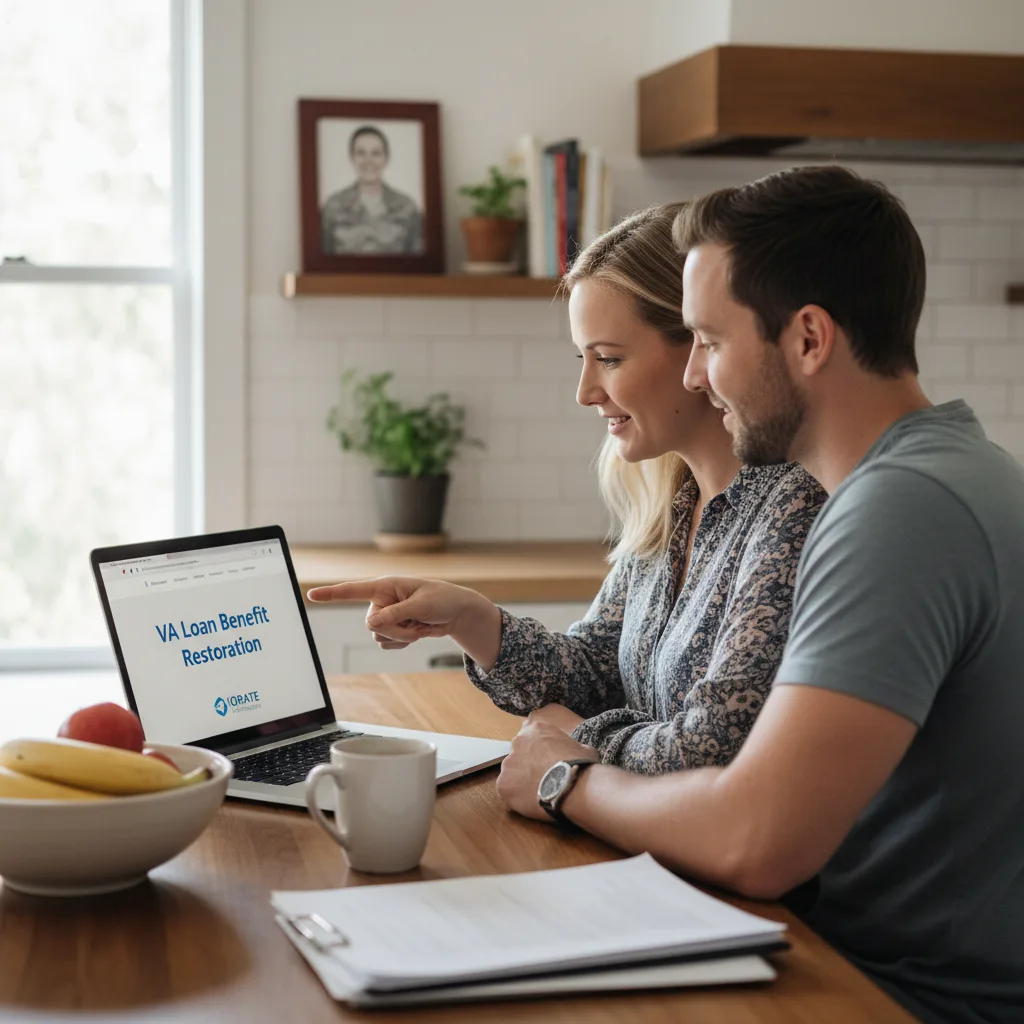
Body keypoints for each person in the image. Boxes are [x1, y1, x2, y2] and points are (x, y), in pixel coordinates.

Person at [487, 166, 1024, 1024]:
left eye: (708, 339)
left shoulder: (897, 513)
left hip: (894, 995)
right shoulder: (947, 473)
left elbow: (756, 838)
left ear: (808, 338)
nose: (696, 376)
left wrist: (564, 778)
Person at [309, 204, 825, 775]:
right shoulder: (675, 503)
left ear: (700, 346)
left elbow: (707, 752)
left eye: (607, 358)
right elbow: (594, 672)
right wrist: (472, 619)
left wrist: (573, 736)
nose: (585, 391)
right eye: (583, 359)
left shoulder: (793, 507)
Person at [320, 126, 423, 255]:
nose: (369, 161)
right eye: (361, 153)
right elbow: (322, 262)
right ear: (352, 158)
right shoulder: (333, 206)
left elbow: (419, 264)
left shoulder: (407, 207)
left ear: (386, 158)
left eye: (376, 153)